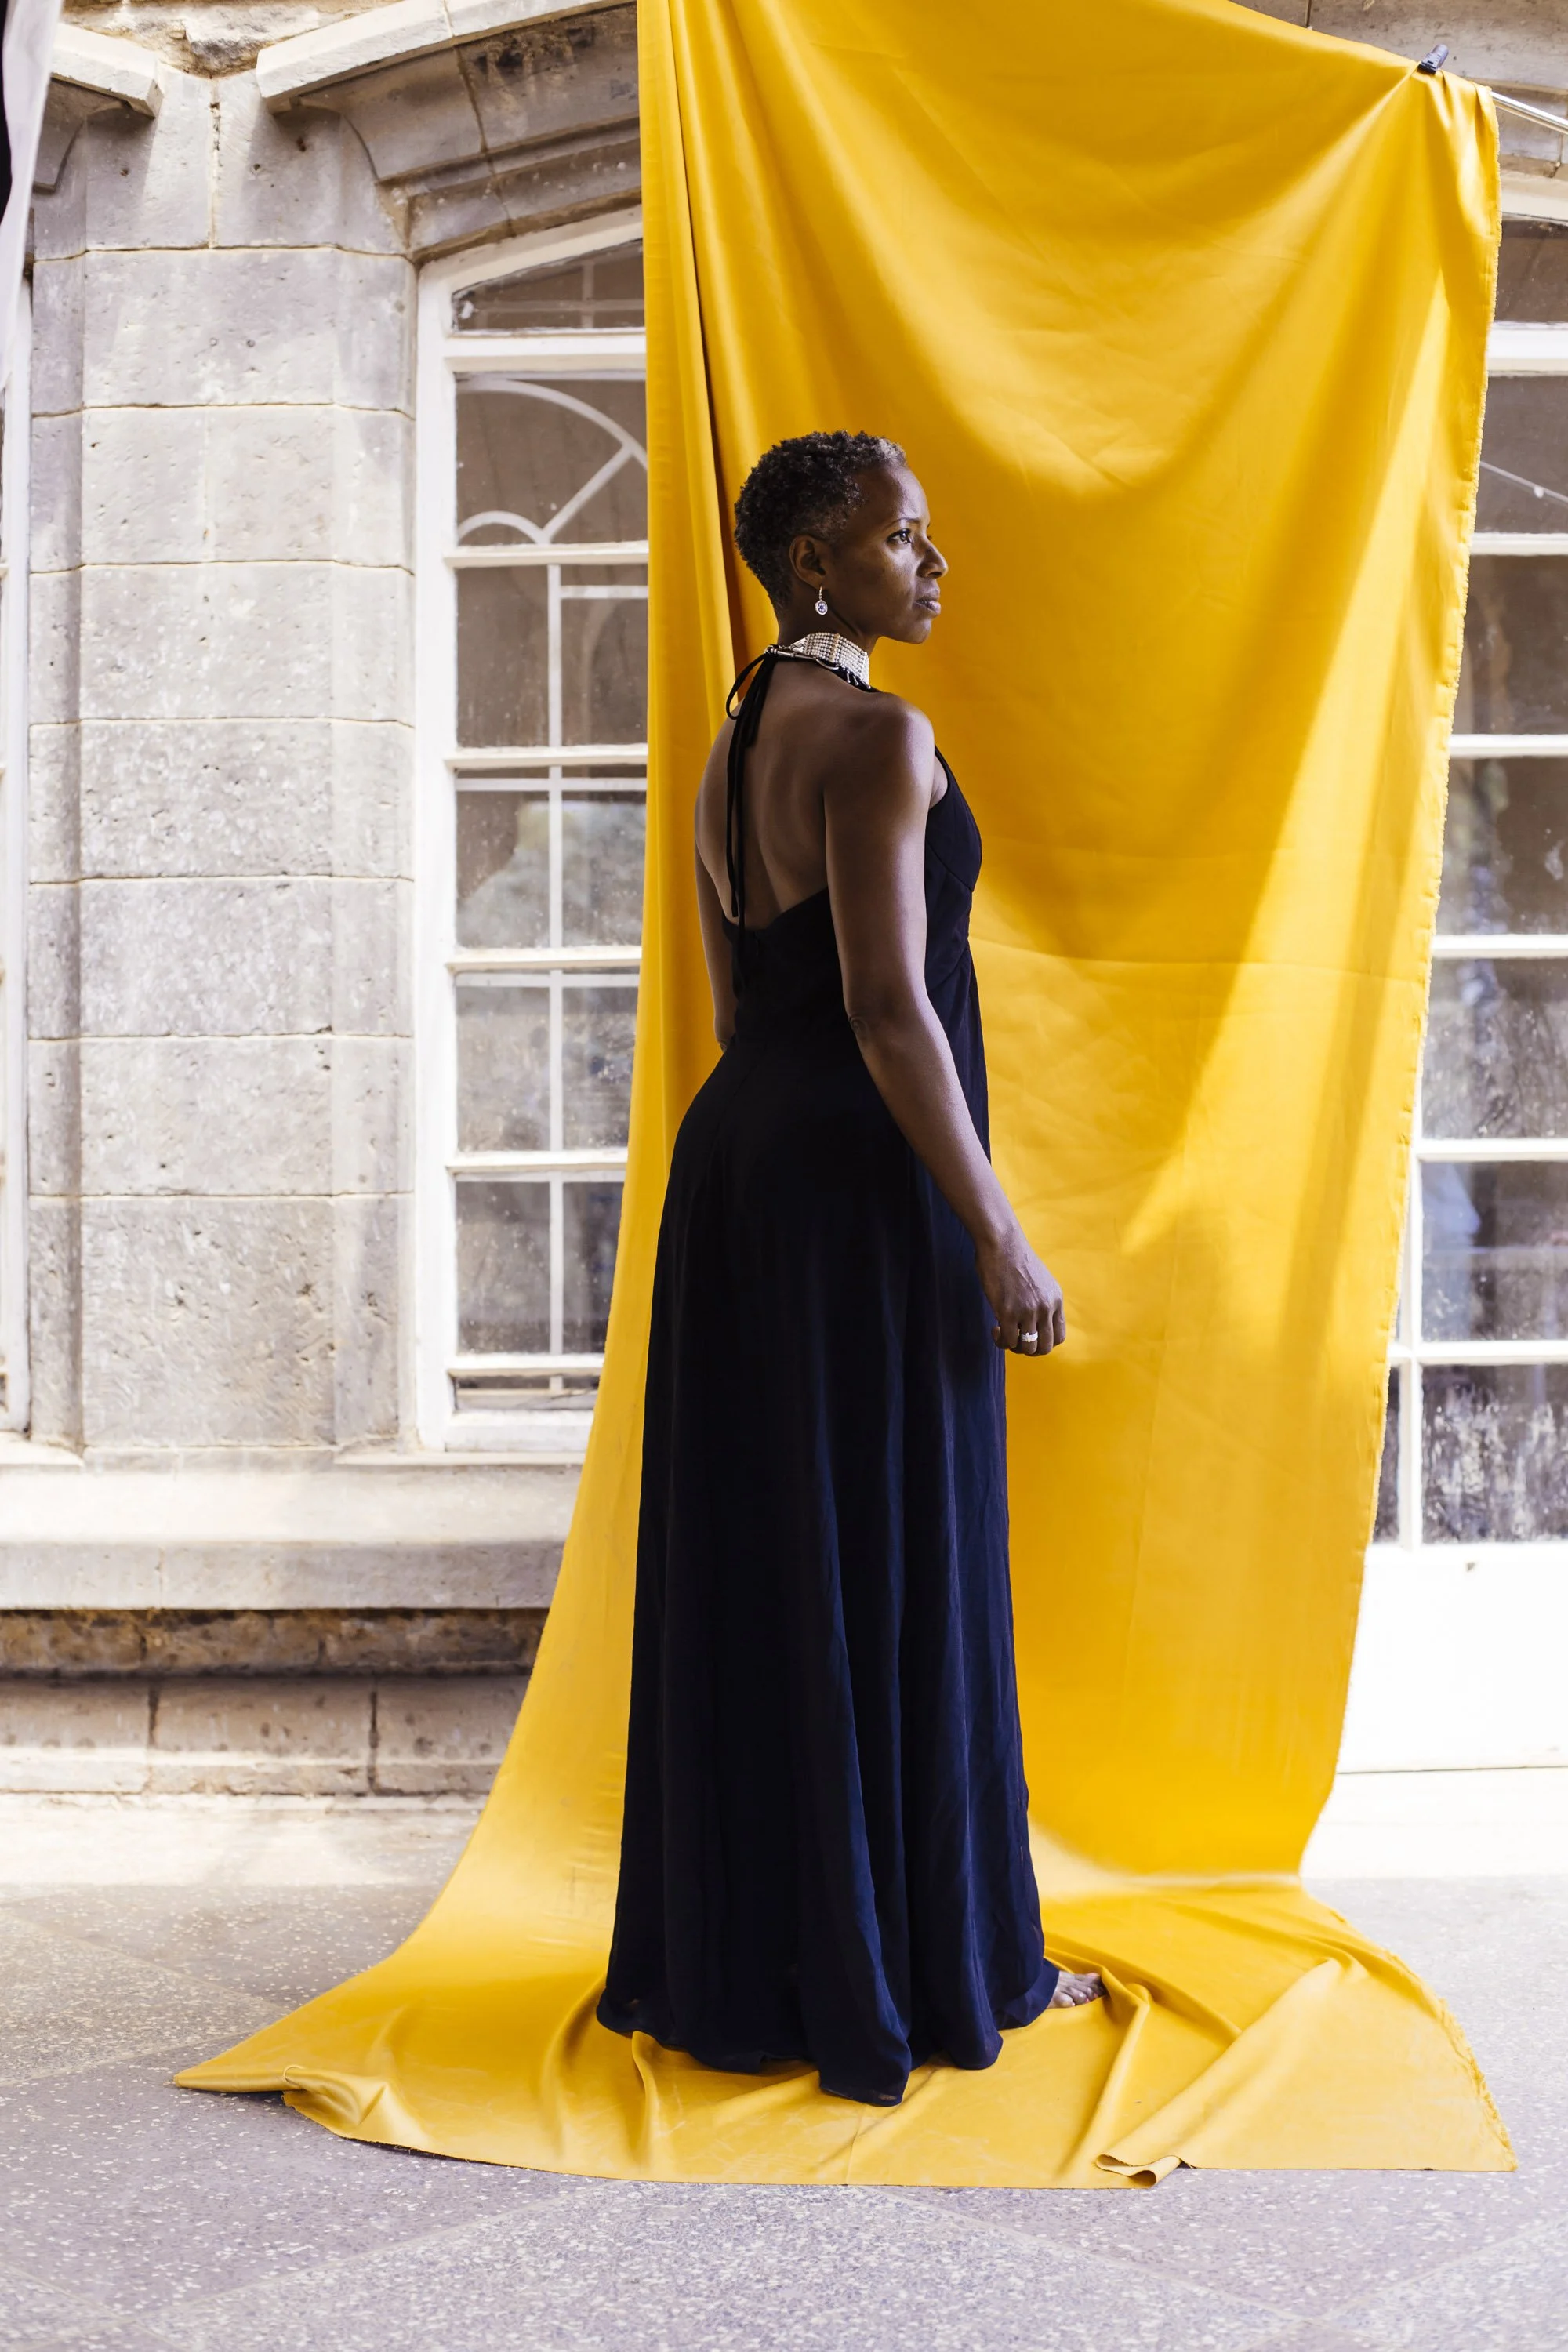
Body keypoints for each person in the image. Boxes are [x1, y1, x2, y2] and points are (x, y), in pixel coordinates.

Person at [597, 430, 1102, 2108]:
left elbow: (748, 1019)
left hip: (739, 1171)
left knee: (778, 1552)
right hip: (859, 1186)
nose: (934, 564)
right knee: (890, 1544)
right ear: (816, 564)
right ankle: (922, 1965)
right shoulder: (882, 737)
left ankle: (765, 1964)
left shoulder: (722, 753)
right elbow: (892, 1009)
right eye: (902, 538)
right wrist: (995, 1229)